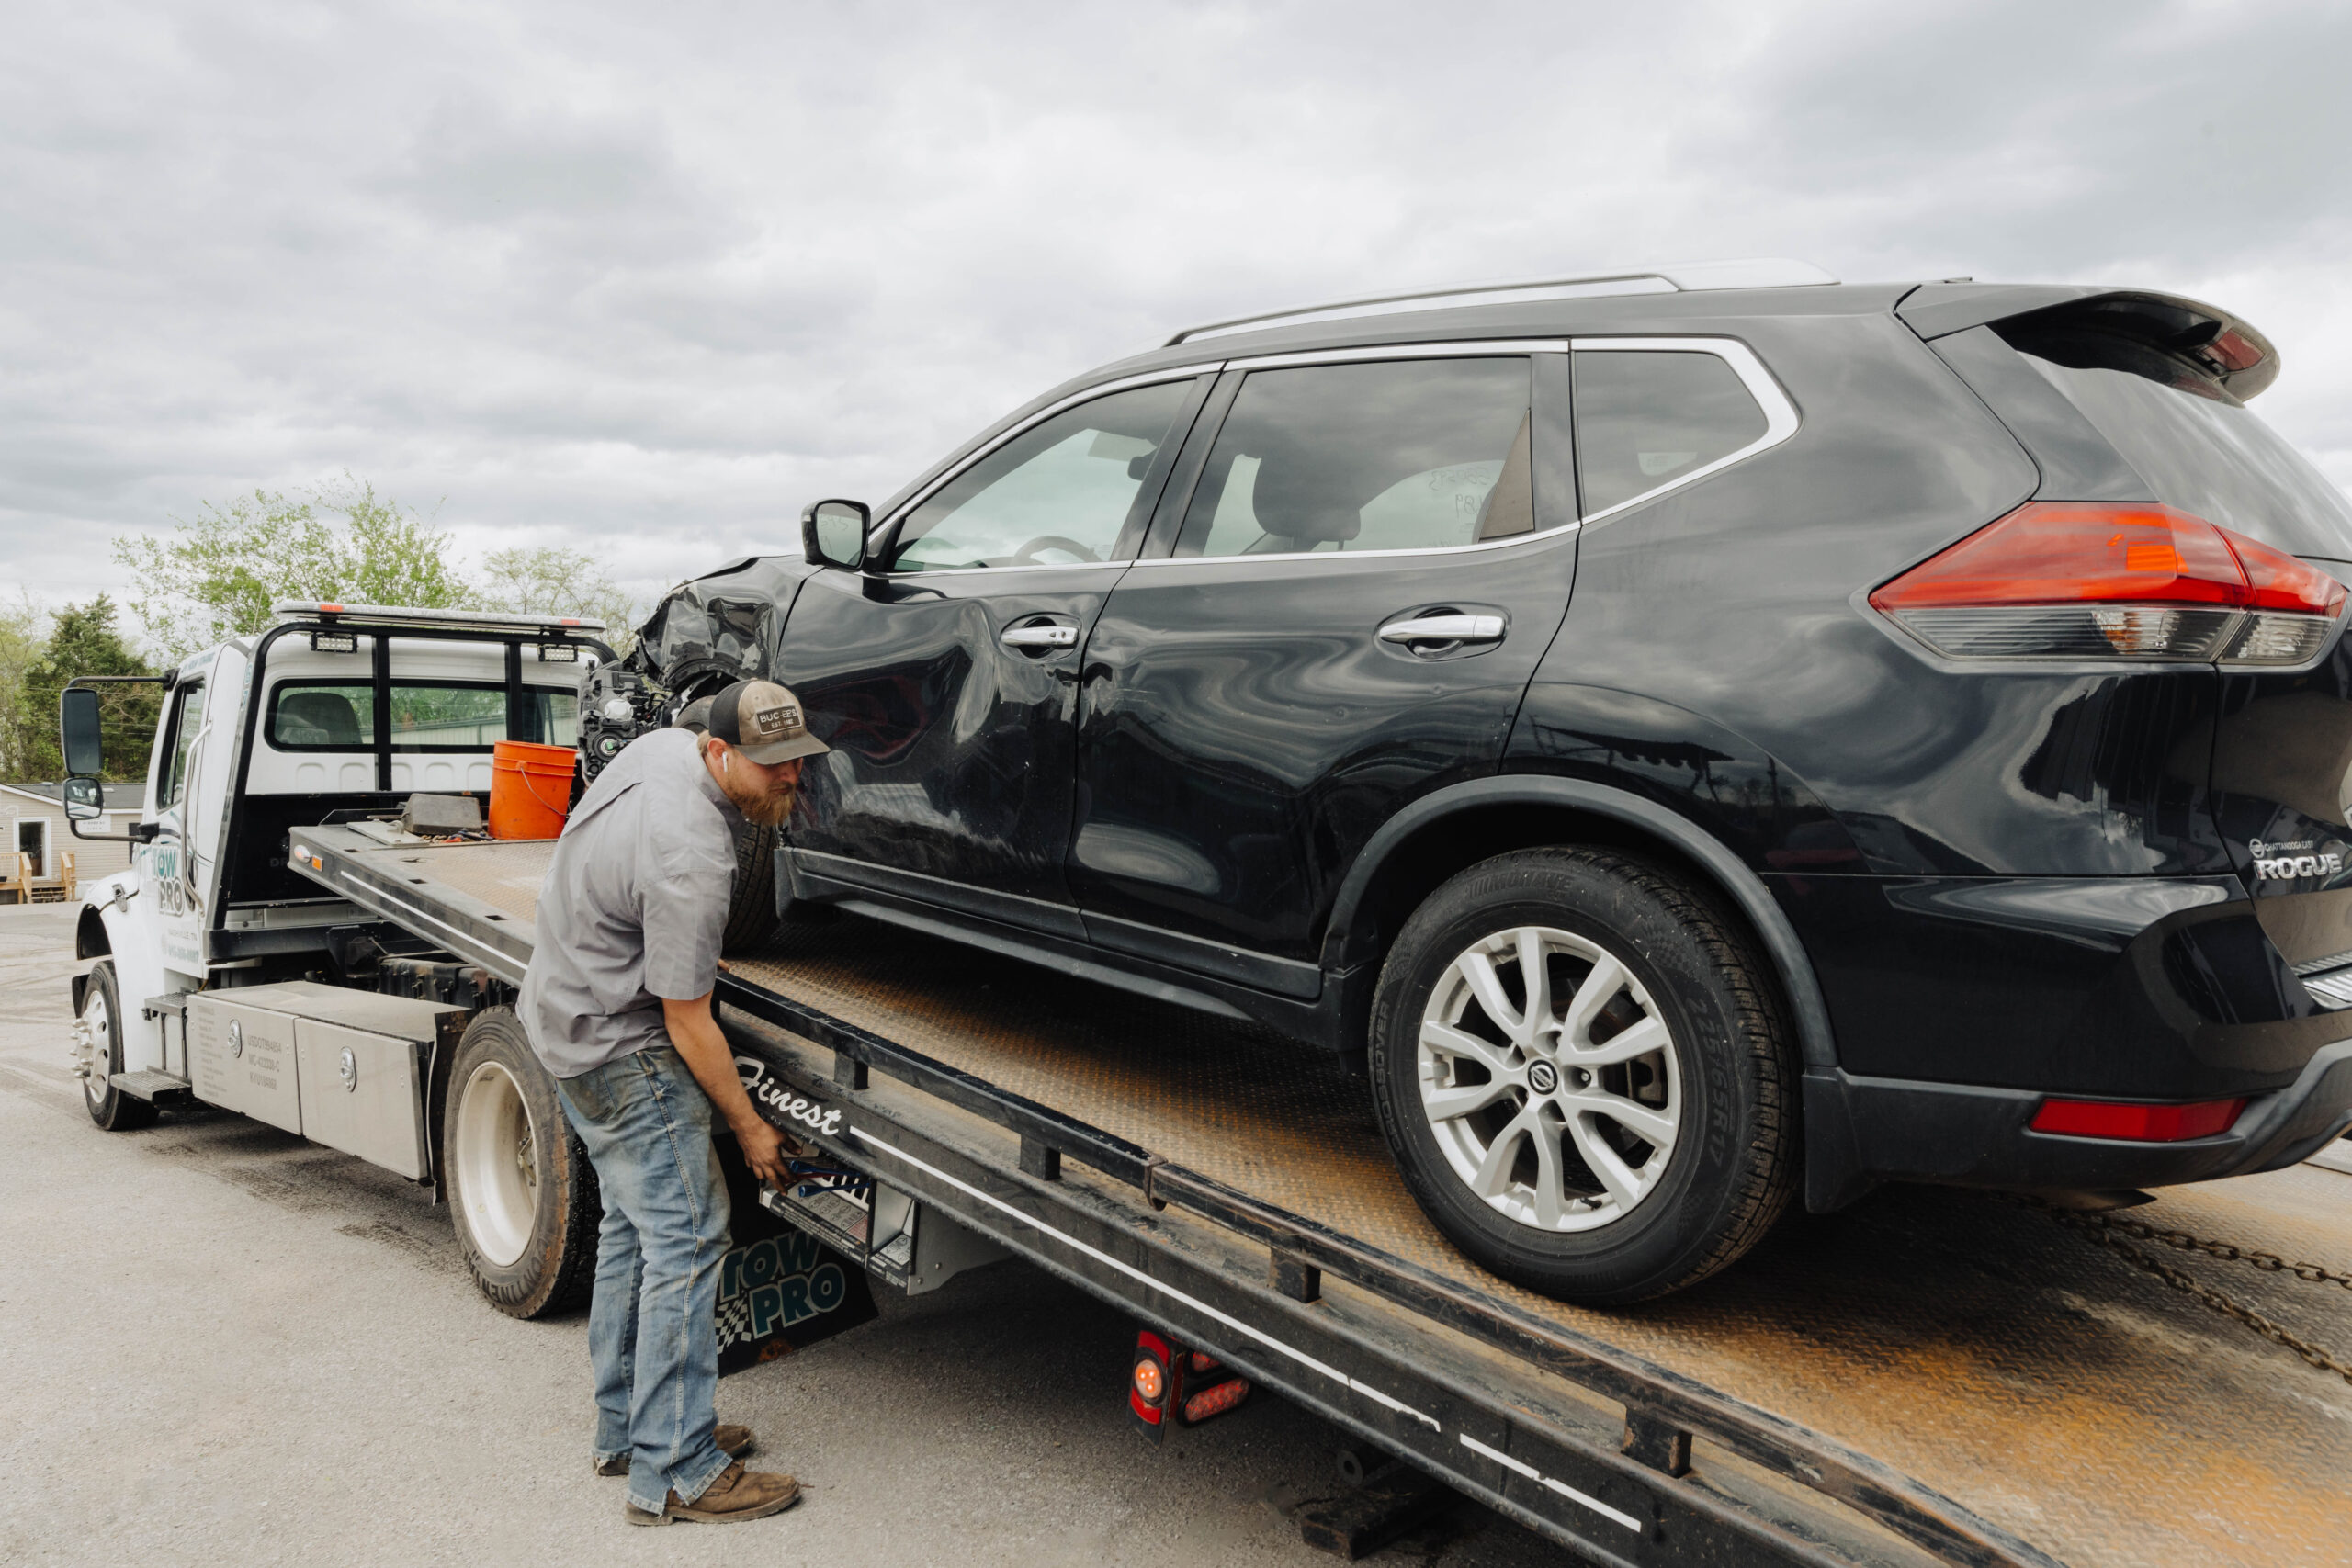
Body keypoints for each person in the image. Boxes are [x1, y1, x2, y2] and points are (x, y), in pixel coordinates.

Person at [519, 678, 829, 1526]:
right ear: (722, 752)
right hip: (622, 1050)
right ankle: (677, 1470)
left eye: (797, 762)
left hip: (560, 1015)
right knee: (690, 1236)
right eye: (773, 769)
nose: (790, 781)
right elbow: (688, 1022)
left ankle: (626, 1428)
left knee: (632, 1224)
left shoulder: (662, 750)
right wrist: (750, 1126)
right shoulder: (693, 853)